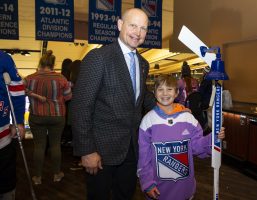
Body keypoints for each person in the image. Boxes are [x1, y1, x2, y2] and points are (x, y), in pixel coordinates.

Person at [71, 8, 156, 200]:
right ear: (120, 25)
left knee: (125, 195)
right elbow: (81, 107)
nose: (138, 32)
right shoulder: (98, 57)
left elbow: (141, 98)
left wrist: (170, 108)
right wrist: (87, 150)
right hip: (100, 152)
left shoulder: (143, 63)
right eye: (133, 25)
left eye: (143, 28)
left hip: (131, 149)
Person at [137, 75, 225, 200]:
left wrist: (213, 138)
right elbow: (144, 158)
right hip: (159, 189)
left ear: (177, 92)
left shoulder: (187, 118)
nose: (165, 93)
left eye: (169, 89)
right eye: (160, 89)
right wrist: (148, 184)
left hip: (184, 188)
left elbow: (197, 146)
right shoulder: (147, 121)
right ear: (154, 93)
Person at [24, 50, 72, 185]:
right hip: (57, 116)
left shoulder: (29, 78)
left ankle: (37, 177)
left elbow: (20, 91)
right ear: (52, 64)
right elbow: (68, 97)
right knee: (55, 145)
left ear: (40, 63)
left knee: (39, 146)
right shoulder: (61, 79)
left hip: (37, 116)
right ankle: (57, 174)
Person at [0, 50, 25, 199]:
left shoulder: (3, 58)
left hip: (2, 141)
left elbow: (16, 89)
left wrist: (18, 121)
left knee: (6, 187)